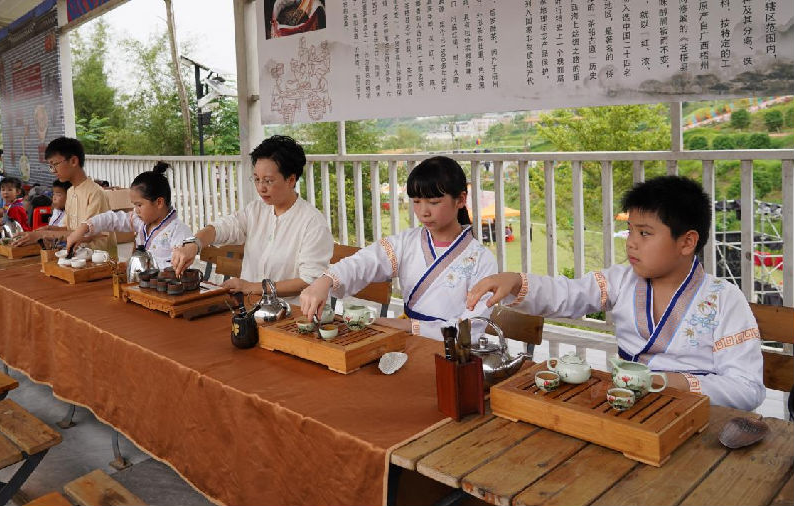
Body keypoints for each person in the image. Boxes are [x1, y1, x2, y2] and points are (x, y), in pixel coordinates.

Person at [466, 176, 765, 411]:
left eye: (645, 233)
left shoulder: (724, 300)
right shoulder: (622, 280)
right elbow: (567, 294)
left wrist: (670, 382)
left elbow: (746, 388)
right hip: (624, 406)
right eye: (631, 231)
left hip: (696, 417)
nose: (631, 243)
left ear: (687, 243)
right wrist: (516, 282)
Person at [299, 156, 499, 339]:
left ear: (461, 200)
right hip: (405, 341)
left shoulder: (481, 259)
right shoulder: (406, 243)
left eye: (434, 202)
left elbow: (472, 327)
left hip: (452, 351)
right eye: (417, 202)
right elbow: (363, 262)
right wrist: (325, 281)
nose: (423, 212)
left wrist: (408, 326)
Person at [171, 135, 333, 300]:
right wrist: (194, 244)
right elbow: (221, 228)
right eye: (256, 179)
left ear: (291, 180)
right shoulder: (256, 210)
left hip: (292, 316)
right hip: (250, 308)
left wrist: (250, 287)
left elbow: (309, 281)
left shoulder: (312, 223)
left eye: (268, 181)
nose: (261, 188)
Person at [66, 162, 192, 267]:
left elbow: (178, 267)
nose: (136, 210)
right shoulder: (140, 221)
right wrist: (83, 229)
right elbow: (112, 219)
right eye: (134, 205)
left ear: (159, 202)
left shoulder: (178, 231)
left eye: (139, 205)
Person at [13, 137, 116, 256]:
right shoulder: (71, 191)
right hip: (78, 257)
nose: (53, 171)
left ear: (73, 161)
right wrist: (48, 229)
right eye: (50, 166)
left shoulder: (95, 193)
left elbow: (88, 234)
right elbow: (69, 229)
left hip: (100, 260)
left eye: (55, 164)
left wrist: (42, 235)